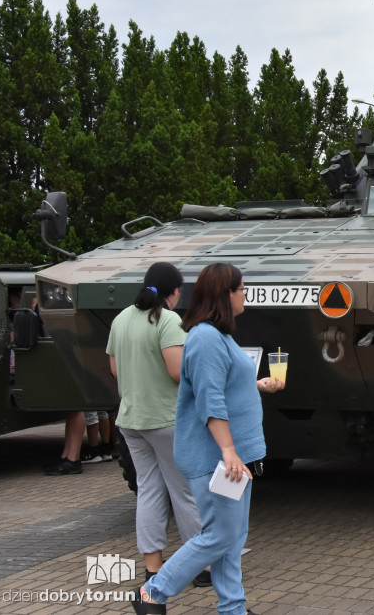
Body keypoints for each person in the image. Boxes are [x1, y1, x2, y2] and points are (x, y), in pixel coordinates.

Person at [132, 263, 284, 615]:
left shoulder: (218, 336)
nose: (245, 294)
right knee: (219, 535)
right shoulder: (204, 338)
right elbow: (209, 399)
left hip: (232, 458)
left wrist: (257, 385)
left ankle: (233, 608)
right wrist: (228, 450)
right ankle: (152, 592)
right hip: (215, 458)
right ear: (225, 294)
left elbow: (225, 386)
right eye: (241, 288)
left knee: (231, 538)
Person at [106, 262, 209, 586]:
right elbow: (177, 371)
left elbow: (114, 370)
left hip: (131, 420)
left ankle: (153, 566)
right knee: (186, 493)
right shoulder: (167, 321)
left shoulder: (121, 318)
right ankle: (201, 568)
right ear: (174, 292)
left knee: (149, 491)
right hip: (166, 421)